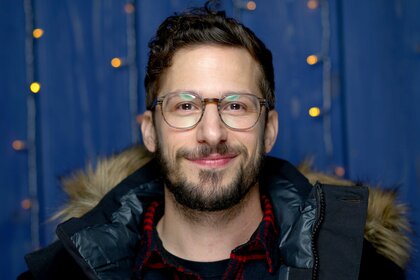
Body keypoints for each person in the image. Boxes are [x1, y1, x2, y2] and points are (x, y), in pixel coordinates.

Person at [19, 3, 410, 280]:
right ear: (149, 131)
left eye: (236, 105)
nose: (212, 133)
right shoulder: (64, 273)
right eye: (185, 105)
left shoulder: (360, 270)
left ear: (269, 129)